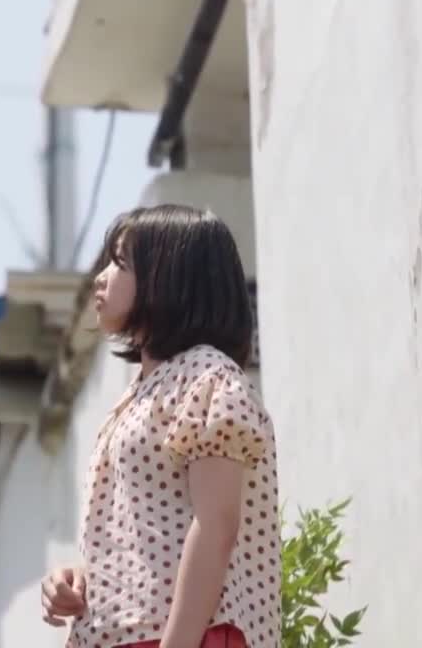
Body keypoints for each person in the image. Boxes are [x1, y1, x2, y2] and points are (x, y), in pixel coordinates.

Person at [39, 205, 282, 648]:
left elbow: (216, 525)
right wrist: (82, 579)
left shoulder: (208, 377)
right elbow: (146, 535)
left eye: (120, 263)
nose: (100, 278)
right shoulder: (135, 397)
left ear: (168, 277)